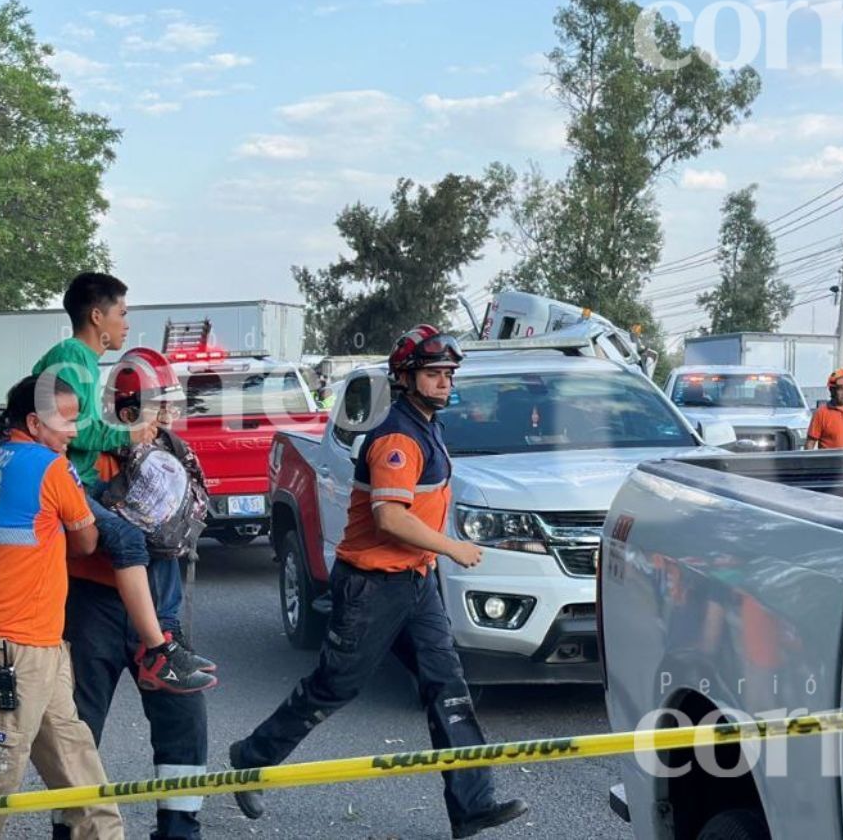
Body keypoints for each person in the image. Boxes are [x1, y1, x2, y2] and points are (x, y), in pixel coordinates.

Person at [228, 326, 528, 837]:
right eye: (434, 375)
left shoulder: (426, 426)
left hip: (415, 581)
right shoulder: (396, 438)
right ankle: (250, 759)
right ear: (406, 378)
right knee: (334, 686)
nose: (443, 384)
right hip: (371, 587)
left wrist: (433, 560)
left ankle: (472, 805)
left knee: (448, 689)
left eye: (448, 375)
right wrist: (453, 547)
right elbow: (390, 517)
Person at [0, 376, 123, 840]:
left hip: (23, 643)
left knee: (74, 758)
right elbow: (86, 542)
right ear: (33, 421)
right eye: (66, 420)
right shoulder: (51, 469)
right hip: (17, 651)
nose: (74, 431)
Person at [57, 348, 214, 840]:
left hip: (160, 610)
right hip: (93, 610)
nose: (169, 418)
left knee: (184, 716)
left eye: (171, 407)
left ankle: (179, 827)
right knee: (79, 729)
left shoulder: (173, 456)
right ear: (126, 412)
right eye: (158, 408)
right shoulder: (86, 462)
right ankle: (72, 827)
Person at [31, 273, 213, 694]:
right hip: (69, 485)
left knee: (160, 528)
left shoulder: (82, 361)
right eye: (122, 313)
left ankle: (167, 637)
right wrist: (128, 436)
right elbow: (76, 431)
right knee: (138, 535)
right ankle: (159, 648)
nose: (126, 324)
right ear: (98, 316)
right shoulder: (73, 358)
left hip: (77, 481)